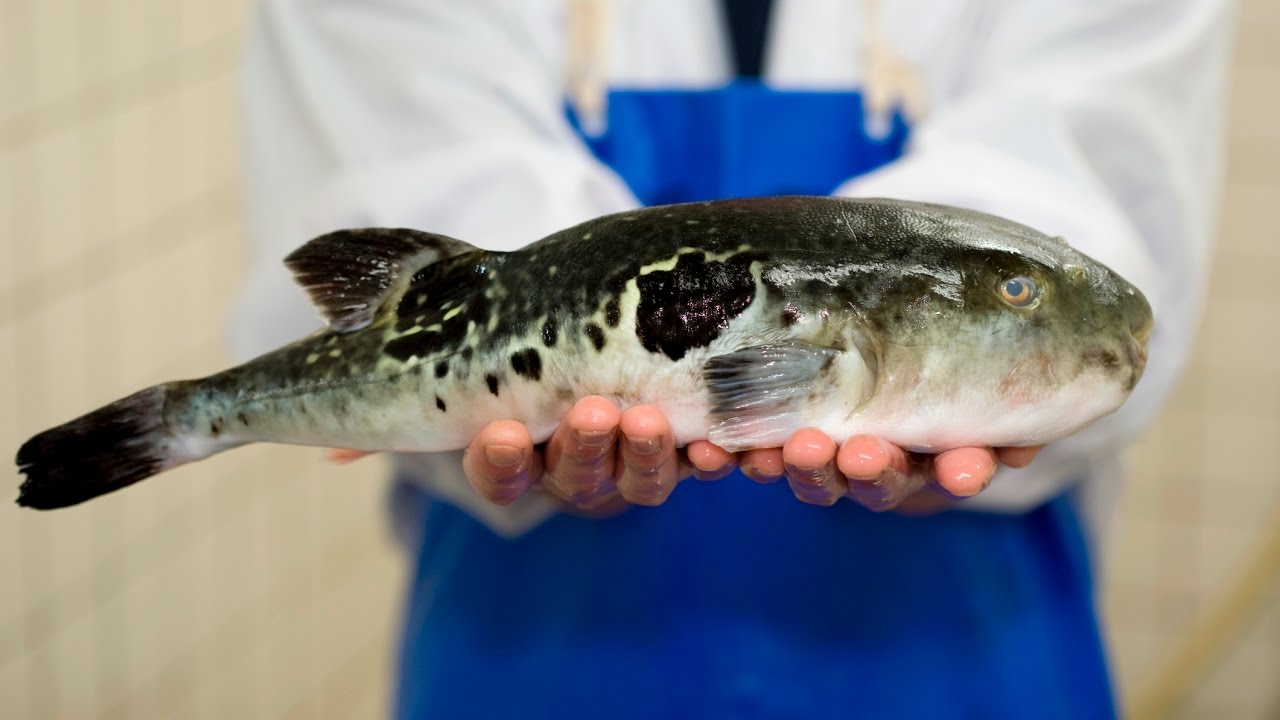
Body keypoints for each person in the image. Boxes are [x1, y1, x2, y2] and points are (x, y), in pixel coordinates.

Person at [233, 1, 1233, 717]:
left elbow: (1098, 158)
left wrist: (942, 385)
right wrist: (571, 378)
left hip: (961, 659)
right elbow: (393, 139)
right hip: (531, 662)